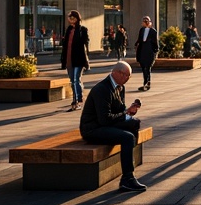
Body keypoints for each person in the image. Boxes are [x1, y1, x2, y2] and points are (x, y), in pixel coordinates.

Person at [79, 60, 146, 192]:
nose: (127, 79)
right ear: (116, 73)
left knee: (134, 123)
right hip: (92, 128)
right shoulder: (102, 89)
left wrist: (129, 111)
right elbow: (104, 119)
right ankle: (127, 178)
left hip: (105, 123)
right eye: (125, 75)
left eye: (129, 76)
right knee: (127, 138)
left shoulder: (120, 87)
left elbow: (119, 110)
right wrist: (125, 114)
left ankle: (130, 166)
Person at [60, 10, 90, 111]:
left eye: (73, 18)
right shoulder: (68, 30)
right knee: (72, 81)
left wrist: (86, 61)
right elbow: (65, 45)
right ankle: (76, 99)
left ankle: (77, 100)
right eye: (69, 18)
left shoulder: (82, 30)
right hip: (69, 59)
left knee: (77, 80)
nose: (71, 20)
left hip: (79, 59)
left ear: (77, 19)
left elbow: (85, 43)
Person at [134, 16, 157, 91]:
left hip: (149, 51)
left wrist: (155, 51)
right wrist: (136, 43)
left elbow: (155, 42)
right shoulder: (141, 30)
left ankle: (147, 82)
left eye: (144, 22)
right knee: (143, 67)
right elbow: (139, 39)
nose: (143, 23)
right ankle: (145, 82)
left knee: (148, 67)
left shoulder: (153, 31)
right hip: (142, 50)